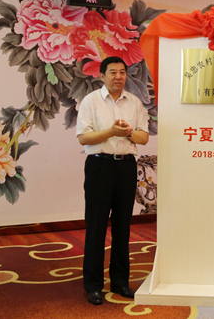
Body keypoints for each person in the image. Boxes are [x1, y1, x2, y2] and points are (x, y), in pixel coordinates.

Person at [76, 56, 150, 305]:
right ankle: (93, 285)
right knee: (96, 226)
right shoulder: (91, 101)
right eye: (113, 72)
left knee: (122, 226)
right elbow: (83, 138)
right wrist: (111, 131)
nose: (118, 77)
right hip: (100, 166)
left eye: (122, 72)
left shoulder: (134, 102)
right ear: (102, 76)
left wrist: (127, 132)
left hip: (126, 167)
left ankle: (120, 282)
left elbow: (143, 138)